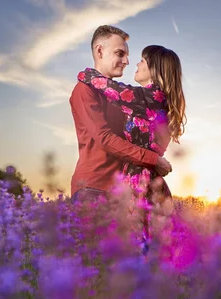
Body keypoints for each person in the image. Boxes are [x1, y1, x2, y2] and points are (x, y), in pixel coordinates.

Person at [77, 44, 187, 251]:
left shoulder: (152, 97)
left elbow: (112, 89)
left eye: (143, 61)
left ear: (155, 70)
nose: (136, 63)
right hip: (146, 179)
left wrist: (86, 75)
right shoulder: (156, 100)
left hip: (141, 181)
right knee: (148, 248)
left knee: (138, 248)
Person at [69, 25, 173, 204]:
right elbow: (105, 139)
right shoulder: (84, 89)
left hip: (123, 191)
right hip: (94, 187)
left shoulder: (122, 97)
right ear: (100, 51)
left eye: (127, 55)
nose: (126, 61)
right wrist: (153, 160)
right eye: (120, 54)